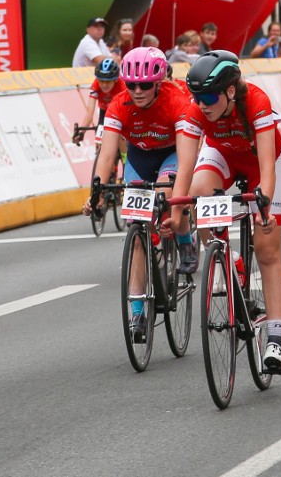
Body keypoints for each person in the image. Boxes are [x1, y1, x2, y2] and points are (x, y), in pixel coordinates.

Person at [181, 50, 281, 370]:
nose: (203, 104)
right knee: (199, 193)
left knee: (268, 249)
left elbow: (267, 168)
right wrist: (177, 211)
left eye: (210, 97)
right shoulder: (198, 109)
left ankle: (275, 340)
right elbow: (186, 170)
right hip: (225, 156)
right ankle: (229, 259)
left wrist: (263, 207)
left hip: (260, 164)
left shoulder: (256, 101)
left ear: (230, 91)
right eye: (197, 97)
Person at [81, 47, 198, 341]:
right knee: (137, 227)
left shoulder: (177, 102)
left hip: (171, 155)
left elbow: (186, 165)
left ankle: (184, 238)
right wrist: (95, 194)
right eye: (131, 84)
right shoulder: (119, 104)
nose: (137, 90)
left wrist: (175, 211)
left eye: (145, 85)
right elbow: (107, 156)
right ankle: (137, 311)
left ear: (159, 82)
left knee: (167, 192)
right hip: (139, 158)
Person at [74, 58, 127, 144]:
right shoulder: (95, 85)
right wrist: (81, 133)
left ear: (115, 80)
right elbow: (89, 114)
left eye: (108, 82)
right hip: (105, 112)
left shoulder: (122, 87)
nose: (104, 85)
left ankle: (124, 156)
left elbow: (127, 111)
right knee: (100, 142)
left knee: (122, 140)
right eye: (101, 81)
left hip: (121, 112)